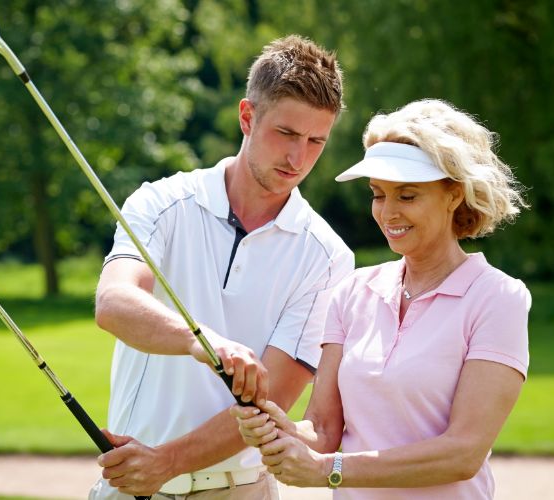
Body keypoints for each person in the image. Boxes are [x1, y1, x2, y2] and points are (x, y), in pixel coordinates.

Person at [90, 35, 355, 499]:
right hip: (130, 482)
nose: (299, 158)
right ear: (247, 117)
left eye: (316, 141)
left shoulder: (328, 257)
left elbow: (271, 400)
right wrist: (202, 340)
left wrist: (167, 462)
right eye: (287, 134)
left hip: (240, 489)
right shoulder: (161, 202)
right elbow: (113, 303)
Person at [232, 98, 530, 499]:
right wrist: (277, 426)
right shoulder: (352, 292)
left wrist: (329, 471)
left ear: (454, 195)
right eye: (378, 194)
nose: (388, 213)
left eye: (407, 196)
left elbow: (463, 452)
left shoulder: (497, 298)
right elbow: (322, 429)